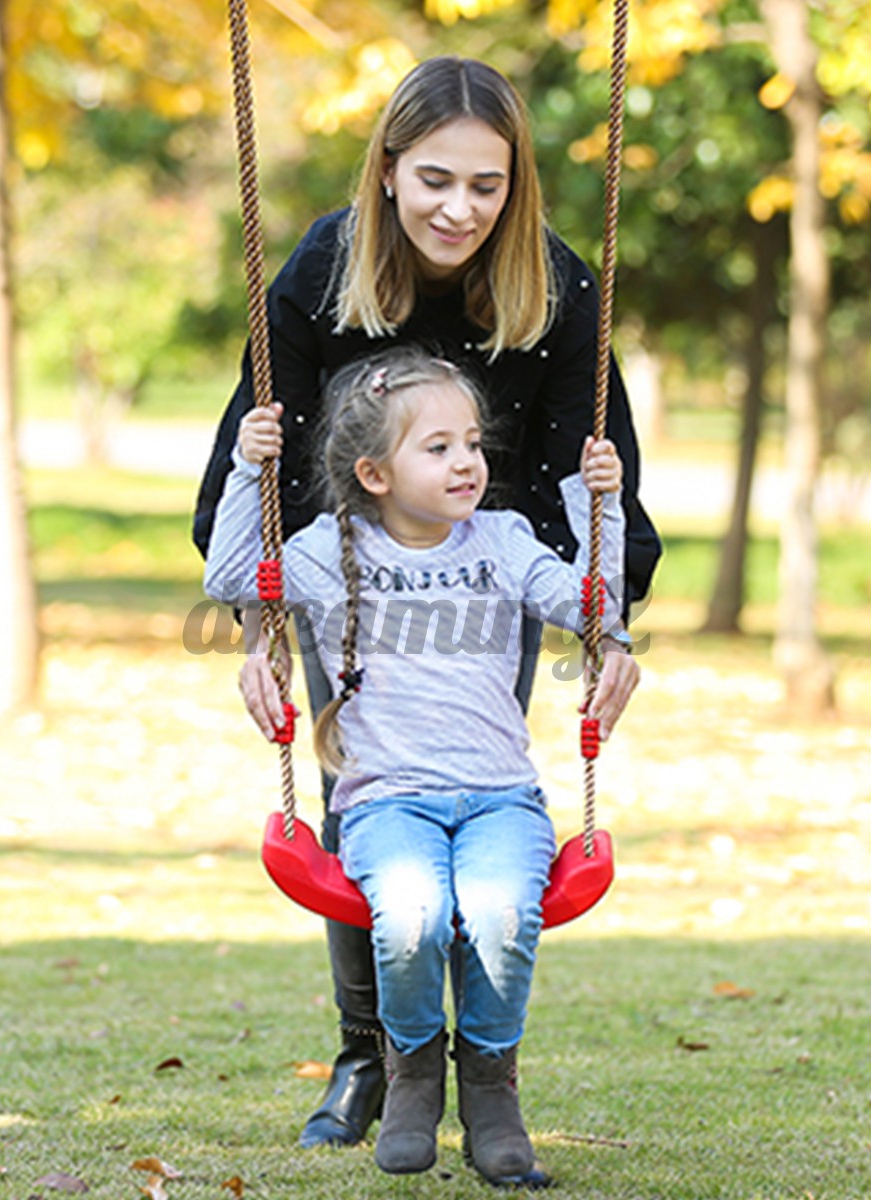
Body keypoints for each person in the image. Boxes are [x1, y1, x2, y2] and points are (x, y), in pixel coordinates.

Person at [191, 55, 662, 1149]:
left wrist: (606, 627)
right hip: (343, 570)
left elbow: (590, 470)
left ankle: (483, 1067)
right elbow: (259, 456)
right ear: (389, 168)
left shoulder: (556, 287)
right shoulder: (324, 267)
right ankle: (375, 1059)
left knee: (473, 778)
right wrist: (258, 631)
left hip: (494, 573)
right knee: (370, 790)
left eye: (487, 186)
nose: (459, 208)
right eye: (435, 179)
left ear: (516, 186)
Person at [204, 349, 627, 1184]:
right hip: (386, 804)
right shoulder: (329, 552)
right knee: (411, 914)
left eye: (471, 443)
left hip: (502, 799)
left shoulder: (503, 540)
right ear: (374, 472)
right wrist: (241, 471)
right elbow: (229, 578)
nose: (466, 461)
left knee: (502, 915)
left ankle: (492, 1091)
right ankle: (411, 1078)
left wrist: (597, 504)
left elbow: (592, 607)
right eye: (437, 448)